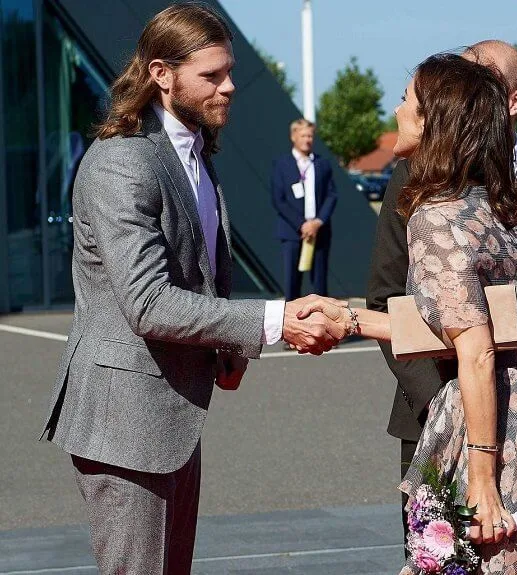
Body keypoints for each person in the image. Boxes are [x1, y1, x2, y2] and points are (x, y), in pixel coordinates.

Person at [40, 4, 346, 574]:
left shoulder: (196, 154)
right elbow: (149, 302)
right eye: (211, 76)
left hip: (170, 416)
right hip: (123, 423)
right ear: (161, 73)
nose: (230, 87)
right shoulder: (123, 161)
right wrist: (275, 322)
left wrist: (222, 348)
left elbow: (199, 274)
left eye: (228, 71)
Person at [299, 53, 517, 573]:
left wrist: (481, 475)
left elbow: (475, 351)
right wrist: (349, 320)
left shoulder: (438, 215)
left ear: (434, 120)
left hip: (485, 437)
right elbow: (477, 325)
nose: (396, 108)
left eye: (408, 99)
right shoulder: (503, 203)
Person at [271, 119, 338, 302]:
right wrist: (302, 224)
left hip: (319, 231)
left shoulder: (322, 164)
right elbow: (279, 200)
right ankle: (291, 322)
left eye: (310, 135)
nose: (307, 139)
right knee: (292, 281)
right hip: (292, 232)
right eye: (303, 135)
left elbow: (332, 195)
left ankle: (321, 321)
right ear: (293, 137)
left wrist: (317, 223)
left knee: (319, 283)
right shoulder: (281, 164)